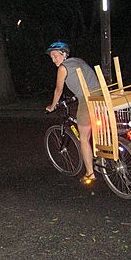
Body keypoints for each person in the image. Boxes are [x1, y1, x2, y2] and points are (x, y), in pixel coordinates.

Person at [45, 41, 100, 185]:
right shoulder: (79, 61)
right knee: (96, 128)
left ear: (64, 54)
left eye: (55, 56)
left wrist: (52, 106)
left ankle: (90, 173)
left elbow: (59, 90)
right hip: (101, 96)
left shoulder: (63, 68)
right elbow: (86, 80)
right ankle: (101, 155)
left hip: (87, 100)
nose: (53, 60)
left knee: (83, 138)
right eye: (51, 57)